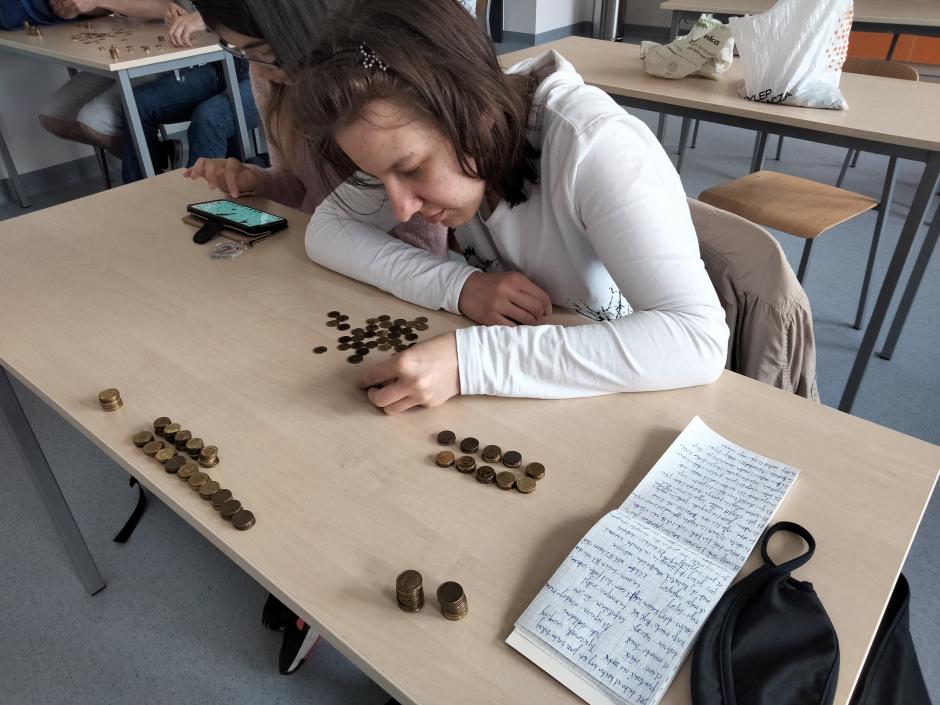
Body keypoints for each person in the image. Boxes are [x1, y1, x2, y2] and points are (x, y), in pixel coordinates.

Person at [268, 0, 728, 415]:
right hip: (538, 390)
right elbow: (327, 229)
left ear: (475, 111)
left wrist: (469, 362)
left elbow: (696, 338)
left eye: (412, 168)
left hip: (633, 395)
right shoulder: (402, 126)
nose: (402, 210)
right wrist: (459, 285)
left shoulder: (597, 145)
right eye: (377, 176)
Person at [178, 0, 448, 676]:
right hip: (316, 271)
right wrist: (257, 181)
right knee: (267, 399)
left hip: (397, 285)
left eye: (261, 52)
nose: (255, 68)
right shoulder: (275, 83)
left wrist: (331, 235)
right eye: (241, 54)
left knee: (360, 431)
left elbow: (419, 238)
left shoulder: (371, 93)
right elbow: (307, 194)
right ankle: (305, 566)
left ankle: (343, 583)